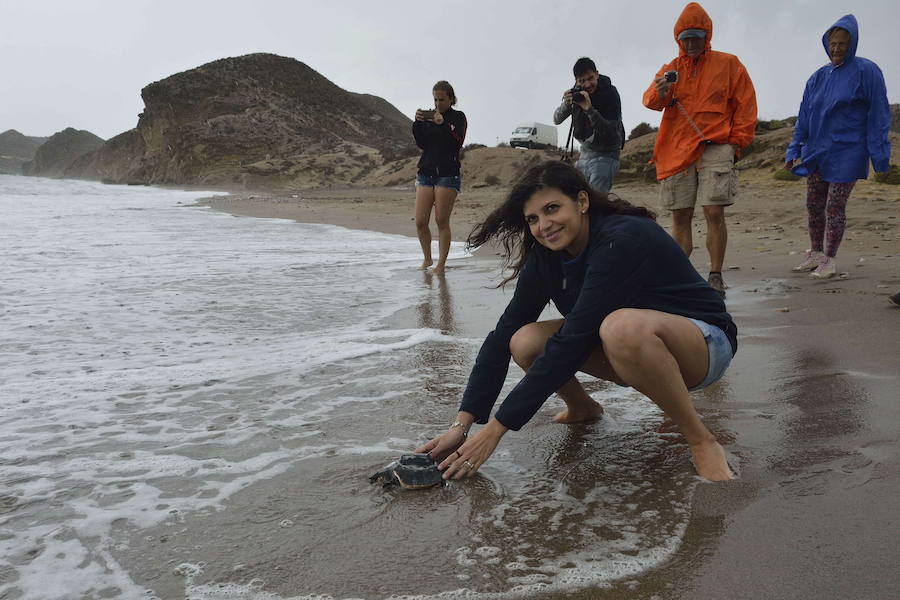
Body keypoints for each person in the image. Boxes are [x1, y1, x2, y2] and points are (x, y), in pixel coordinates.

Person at [416, 161, 738, 482]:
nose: (544, 225)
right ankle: (583, 407)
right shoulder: (547, 256)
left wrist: (495, 431)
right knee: (523, 340)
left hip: (703, 345)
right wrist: (461, 426)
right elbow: (503, 335)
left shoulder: (621, 239)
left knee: (619, 327)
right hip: (629, 350)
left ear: (582, 202)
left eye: (552, 208)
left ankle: (701, 440)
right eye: (533, 218)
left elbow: (572, 341)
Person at [642, 2, 757, 297]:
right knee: (680, 216)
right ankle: (681, 278)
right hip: (676, 149)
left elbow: (746, 104)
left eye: (696, 36)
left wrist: (736, 143)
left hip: (717, 146)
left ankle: (715, 275)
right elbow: (650, 102)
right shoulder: (671, 69)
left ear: (707, 35)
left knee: (714, 211)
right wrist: (661, 90)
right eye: (685, 38)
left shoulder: (729, 63)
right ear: (678, 39)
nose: (691, 43)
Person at [785, 14, 892, 279]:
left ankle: (830, 260)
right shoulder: (818, 77)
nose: (836, 49)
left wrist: (880, 155)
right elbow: (805, 116)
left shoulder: (867, 71)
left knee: (834, 206)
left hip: (848, 151)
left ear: (852, 43)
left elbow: (879, 113)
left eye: (842, 43)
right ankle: (815, 252)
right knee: (813, 204)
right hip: (817, 151)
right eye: (833, 43)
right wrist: (794, 149)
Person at [412, 81, 467, 274]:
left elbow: (457, 142)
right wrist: (417, 123)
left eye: (441, 99)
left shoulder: (458, 117)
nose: (437, 104)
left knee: (441, 221)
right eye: (435, 99)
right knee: (420, 221)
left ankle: (441, 264)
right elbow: (421, 143)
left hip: (447, 174)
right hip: (426, 172)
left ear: (451, 99)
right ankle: (427, 259)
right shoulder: (430, 117)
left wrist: (443, 125)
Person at [553, 57, 625, 193]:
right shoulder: (576, 94)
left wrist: (589, 110)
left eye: (590, 78)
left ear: (597, 74)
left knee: (595, 201)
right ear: (576, 81)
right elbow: (557, 119)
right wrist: (566, 104)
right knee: (577, 197)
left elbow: (610, 131)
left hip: (607, 153)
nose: (587, 84)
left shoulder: (610, 93)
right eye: (582, 81)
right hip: (585, 152)